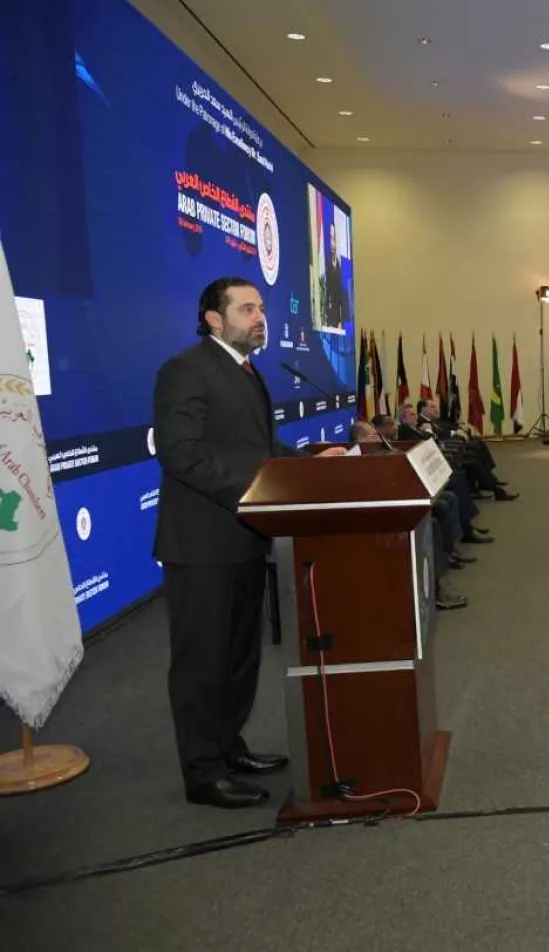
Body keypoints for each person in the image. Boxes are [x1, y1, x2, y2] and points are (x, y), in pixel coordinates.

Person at [154, 278, 347, 809]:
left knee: (239, 657)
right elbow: (181, 454)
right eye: (246, 308)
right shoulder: (186, 371)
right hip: (201, 543)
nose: (260, 316)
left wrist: (308, 463)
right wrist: (262, 485)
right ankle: (202, 772)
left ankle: (228, 746)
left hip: (245, 537)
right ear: (213, 319)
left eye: (260, 307)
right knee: (202, 662)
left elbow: (258, 447)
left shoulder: (245, 370)